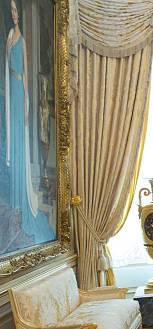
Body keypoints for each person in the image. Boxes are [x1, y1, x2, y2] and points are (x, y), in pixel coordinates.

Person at [5, 0, 54, 243]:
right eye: (11, 10)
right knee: (11, 139)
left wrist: (25, 102)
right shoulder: (10, 36)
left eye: (16, 11)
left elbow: (24, 72)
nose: (14, 14)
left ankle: (21, 201)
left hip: (19, 91)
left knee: (20, 142)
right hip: (10, 87)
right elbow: (6, 67)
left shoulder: (22, 41)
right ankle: (13, 200)